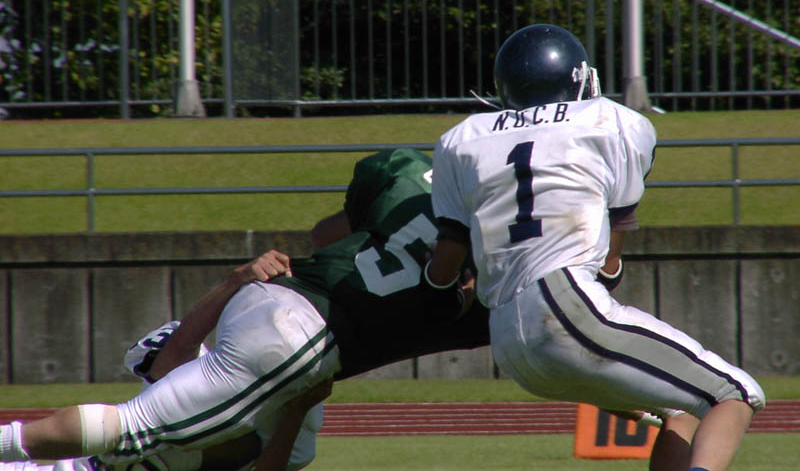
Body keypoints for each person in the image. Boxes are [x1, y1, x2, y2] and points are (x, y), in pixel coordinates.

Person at [0, 149, 489, 471]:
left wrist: (297, 407)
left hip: (281, 313)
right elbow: (172, 359)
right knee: (126, 429)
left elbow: (324, 235)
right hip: (303, 335)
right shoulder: (219, 375)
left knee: (131, 428)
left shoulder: (272, 393)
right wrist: (234, 280)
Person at [423, 23, 765, 471]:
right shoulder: (612, 121)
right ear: (577, 77)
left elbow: (445, 265)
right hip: (564, 305)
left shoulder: (462, 138)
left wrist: (437, 286)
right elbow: (611, 258)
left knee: (682, 409)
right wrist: (608, 272)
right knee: (736, 394)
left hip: (506, 339)